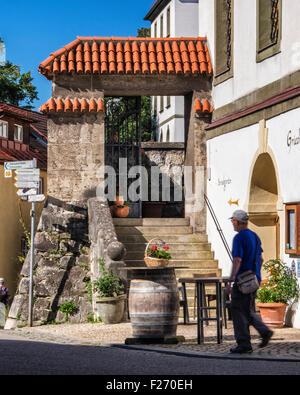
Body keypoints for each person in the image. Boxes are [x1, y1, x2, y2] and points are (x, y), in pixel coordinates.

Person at [225, 210, 273, 354]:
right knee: (246, 309)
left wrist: (231, 279)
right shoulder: (255, 236)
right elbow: (261, 259)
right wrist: (256, 273)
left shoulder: (239, 237)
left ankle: (250, 339)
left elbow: (237, 260)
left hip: (242, 281)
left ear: (238, 221)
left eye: (233, 220)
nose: (232, 223)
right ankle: (249, 341)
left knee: (238, 309)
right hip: (254, 280)